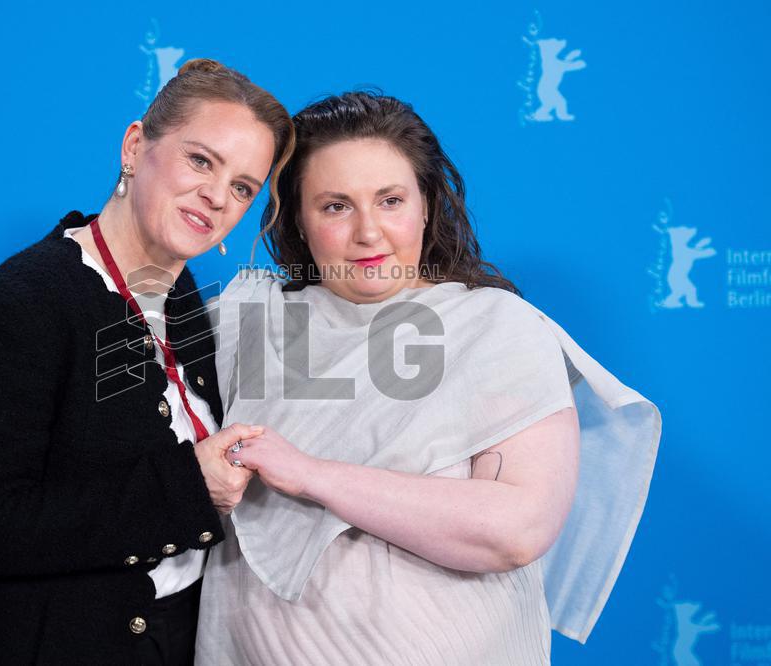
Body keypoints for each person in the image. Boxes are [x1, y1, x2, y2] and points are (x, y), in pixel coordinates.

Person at [195, 92, 662, 664]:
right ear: (296, 217)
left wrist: (312, 475)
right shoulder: (241, 324)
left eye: (390, 200)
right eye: (335, 206)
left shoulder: (496, 327)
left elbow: (516, 528)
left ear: (426, 205)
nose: (369, 233)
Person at [0, 59, 293, 665]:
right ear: (134, 145)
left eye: (243, 187)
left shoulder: (182, 299)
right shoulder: (28, 299)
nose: (216, 196)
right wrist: (186, 488)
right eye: (201, 160)